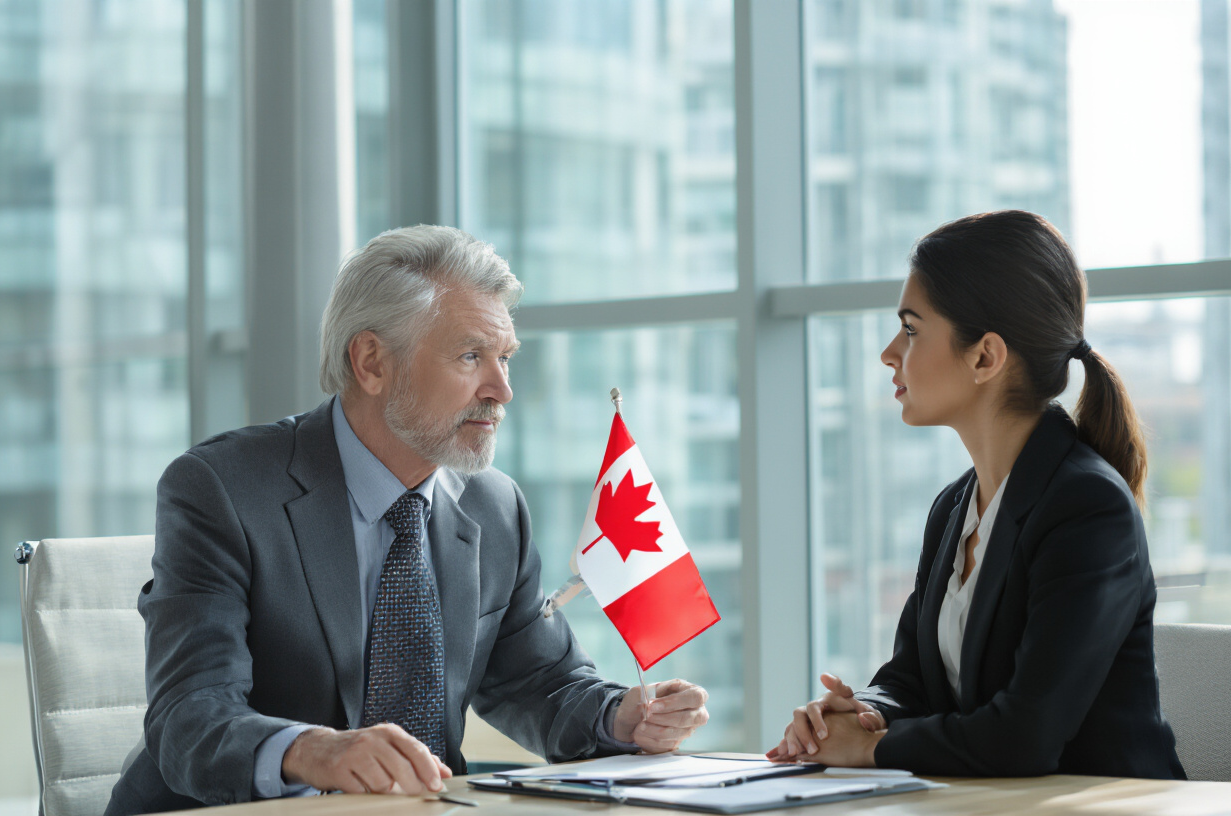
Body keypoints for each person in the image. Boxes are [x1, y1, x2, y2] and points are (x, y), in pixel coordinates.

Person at [105, 225, 710, 814]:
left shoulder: (494, 507)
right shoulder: (223, 490)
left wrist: (619, 716)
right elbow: (189, 717)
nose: (501, 389)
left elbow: (543, 685)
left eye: (505, 358)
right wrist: (312, 751)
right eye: (471, 356)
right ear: (371, 361)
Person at [767, 210, 1184, 779]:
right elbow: (911, 679)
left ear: (985, 356)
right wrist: (862, 713)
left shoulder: (1089, 509)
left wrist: (869, 749)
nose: (889, 352)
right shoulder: (953, 509)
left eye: (911, 329)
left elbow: (1025, 736)